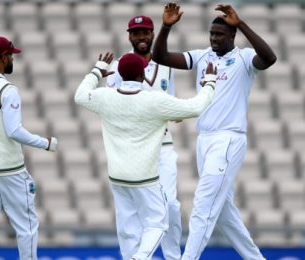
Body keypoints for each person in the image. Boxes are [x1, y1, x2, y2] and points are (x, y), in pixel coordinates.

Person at [152, 3, 277, 260]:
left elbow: (270, 58)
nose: (214, 39)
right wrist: (165, 27)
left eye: (219, 35)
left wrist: (240, 23)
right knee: (224, 213)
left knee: (203, 205)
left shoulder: (243, 59)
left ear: (232, 36)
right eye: (211, 34)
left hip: (228, 139)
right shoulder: (203, 56)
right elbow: (160, 57)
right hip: (204, 140)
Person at [75, 52, 216, 259]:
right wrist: (209, 84)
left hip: (117, 176)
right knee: (158, 223)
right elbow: (195, 108)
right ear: (142, 75)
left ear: (120, 75)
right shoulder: (155, 100)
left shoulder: (105, 96)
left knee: (127, 227)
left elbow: (79, 95)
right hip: (145, 178)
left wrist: (96, 71)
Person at [0, 36, 58, 260]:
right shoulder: (7, 89)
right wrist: (45, 143)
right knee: (26, 224)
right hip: (9, 168)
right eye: (11, 56)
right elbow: (13, 131)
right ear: (3, 58)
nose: (12, 60)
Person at [106, 15, 182, 259]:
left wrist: (175, 111)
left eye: (145, 32)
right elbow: (110, 104)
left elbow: (171, 103)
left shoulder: (167, 65)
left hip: (162, 145)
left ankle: (173, 257)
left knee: (170, 205)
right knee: (129, 214)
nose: (141, 37)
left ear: (152, 34)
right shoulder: (118, 66)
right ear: (128, 36)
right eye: (136, 33)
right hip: (131, 150)